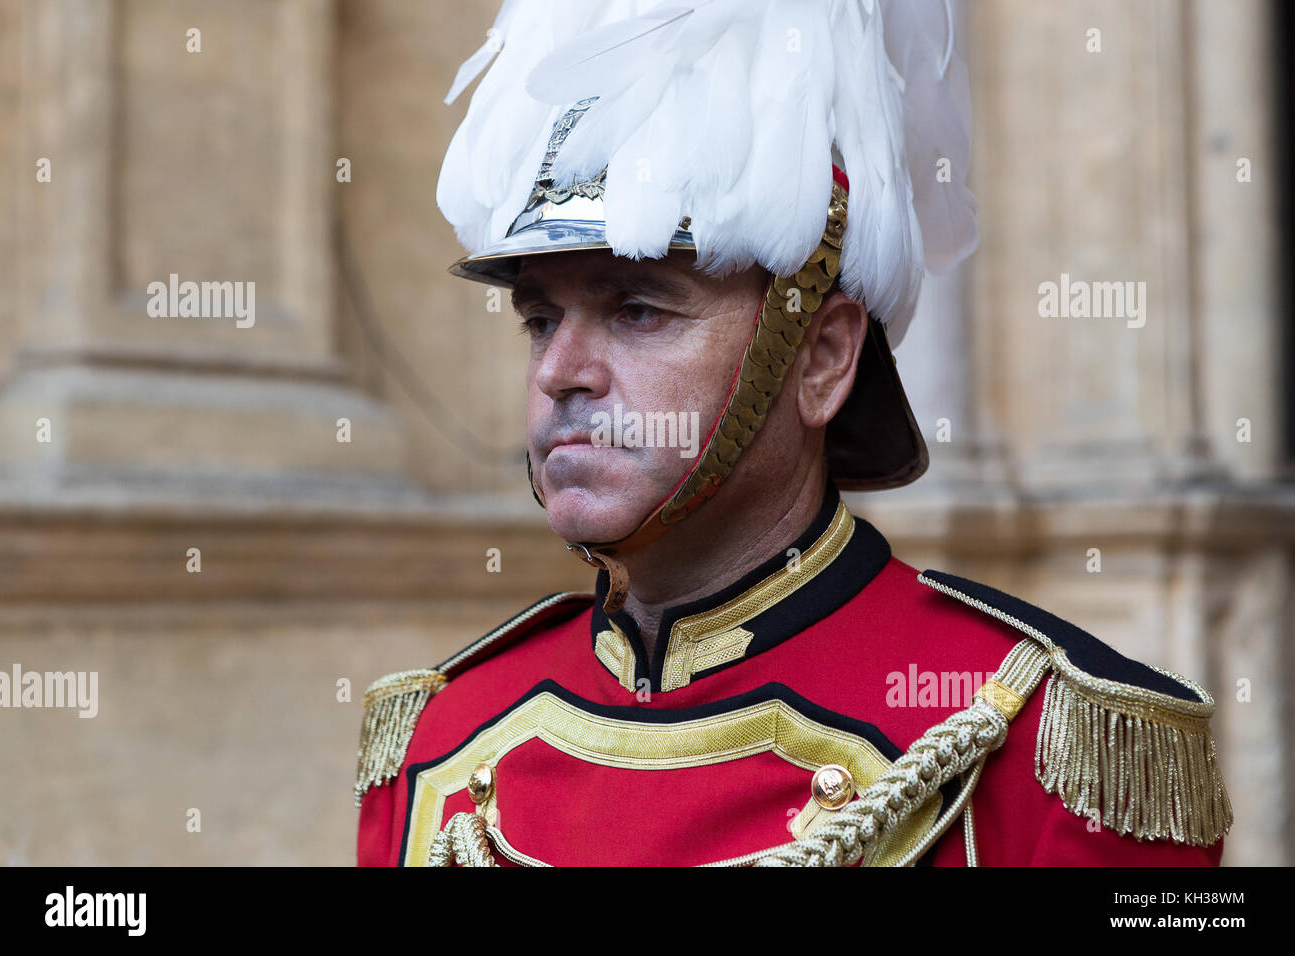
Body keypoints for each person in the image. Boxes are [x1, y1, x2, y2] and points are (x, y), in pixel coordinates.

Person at [355, 0, 1231, 867]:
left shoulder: (1047, 751)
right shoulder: (442, 738)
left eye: (636, 310)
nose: (559, 373)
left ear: (821, 358)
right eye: (540, 320)